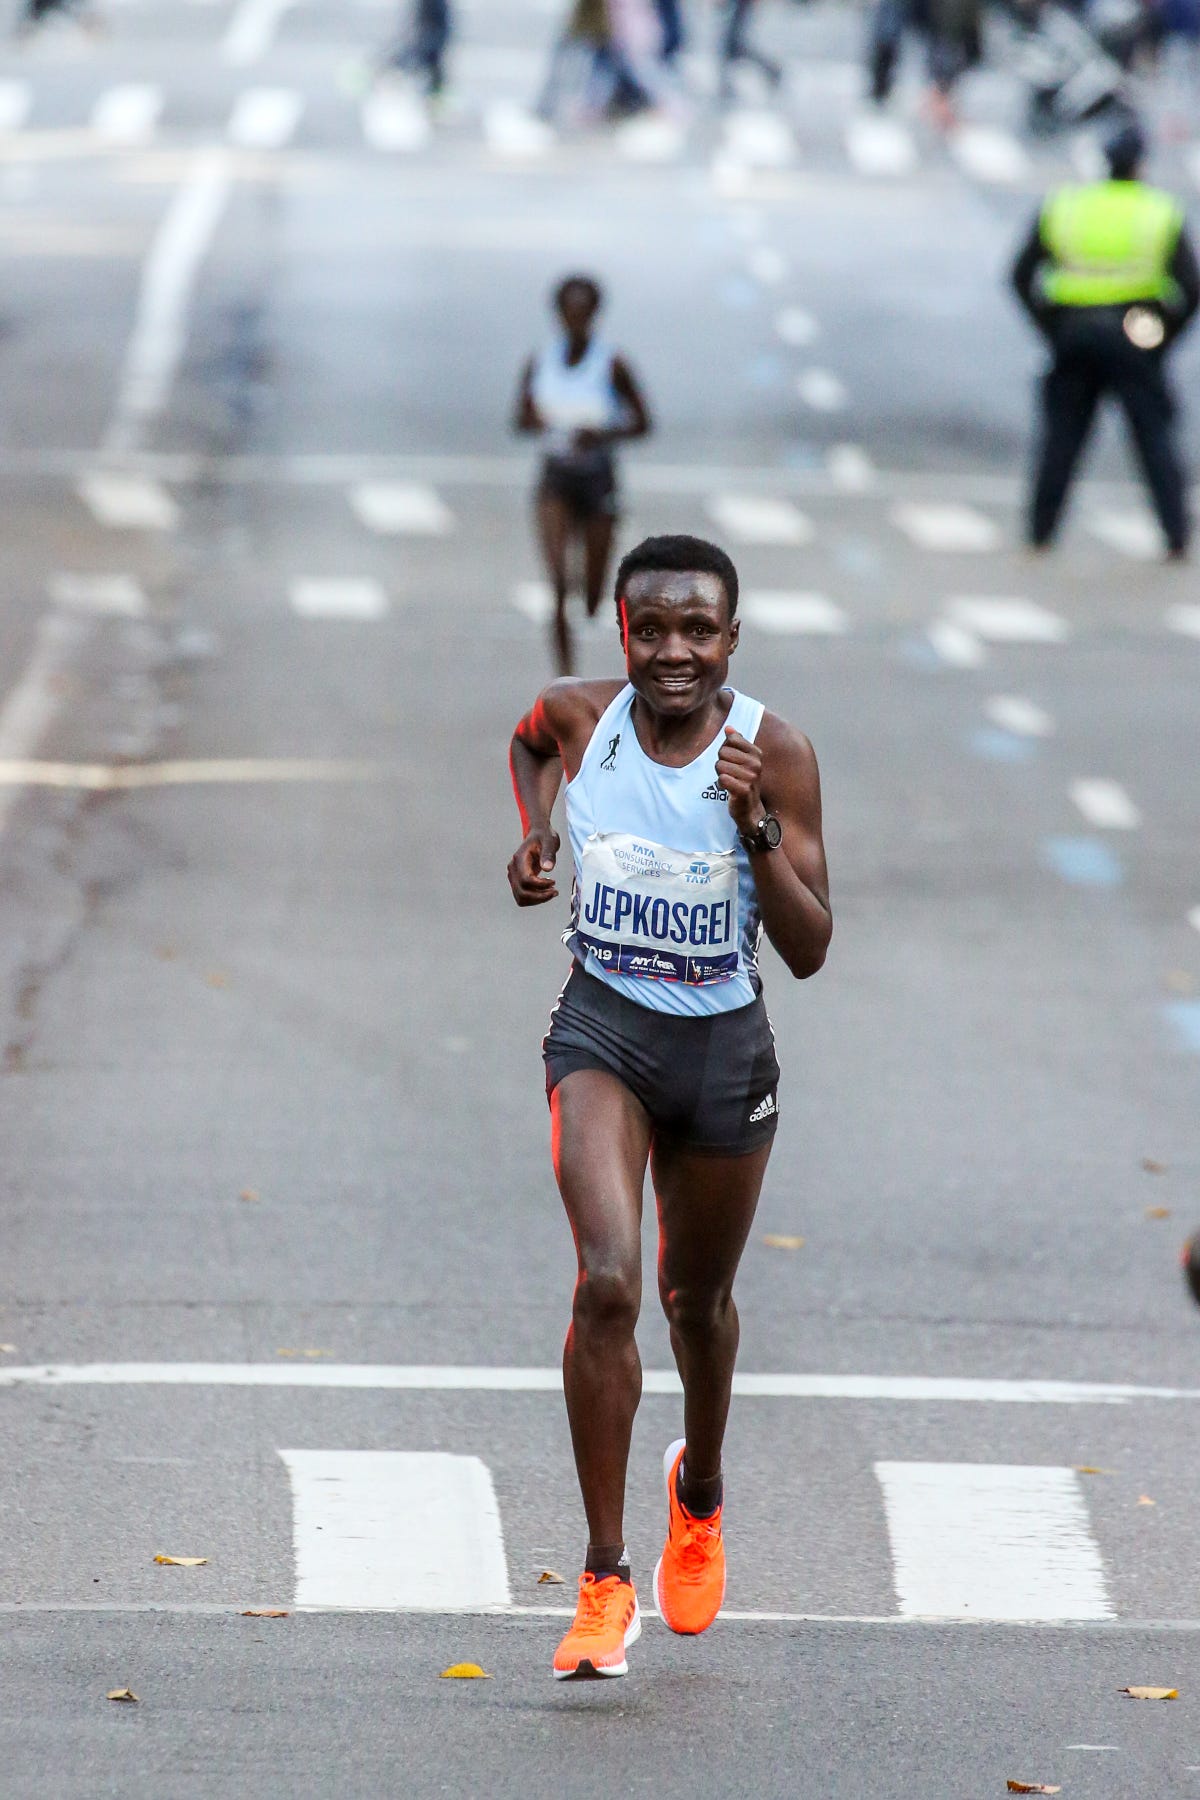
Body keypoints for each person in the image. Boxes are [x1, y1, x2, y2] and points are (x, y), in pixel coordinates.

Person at [506, 534, 831, 1679]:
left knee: (699, 1307)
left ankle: (699, 1491)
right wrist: (536, 829)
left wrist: (757, 832)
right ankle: (603, 1579)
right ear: (622, 627)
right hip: (602, 1031)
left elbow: (810, 949)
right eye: (654, 629)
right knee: (607, 1284)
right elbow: (528, 737)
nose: (676, 652)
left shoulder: (774, 753)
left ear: (733, 640)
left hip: (724, 1055)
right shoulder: (584, 715)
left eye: (701, 631)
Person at [1011, 119, 1200, 558]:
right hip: (1135, 331)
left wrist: (1051, 328)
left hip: (1073, 330)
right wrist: (1160, 340)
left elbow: (1022, 275)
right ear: (1140, 165)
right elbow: (1190, 289)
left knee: (1062, 437)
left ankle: (1041, 531)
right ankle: (1175, 533)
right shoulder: (1158, 211)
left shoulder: (1067, 205)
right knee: (1153, 436)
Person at [514, 276, 651, 677]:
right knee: (557, 583)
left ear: (594, 315)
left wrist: (604, 432)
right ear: (558, 315)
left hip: (598, 478)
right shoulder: (540, 361)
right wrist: (535, 419)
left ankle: (589, 604)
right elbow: (518, 419)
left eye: (583, 313)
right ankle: (565, 677)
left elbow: (643, 422)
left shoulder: (612, 363)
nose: (575, 321)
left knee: (592, 593)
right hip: (555, 478)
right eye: (568, 313)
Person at [719, 0, 782, 97]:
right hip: (740, 6)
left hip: (742, 5)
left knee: (733, 46)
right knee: (732, 47)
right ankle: (724, 85)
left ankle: (771, 70)